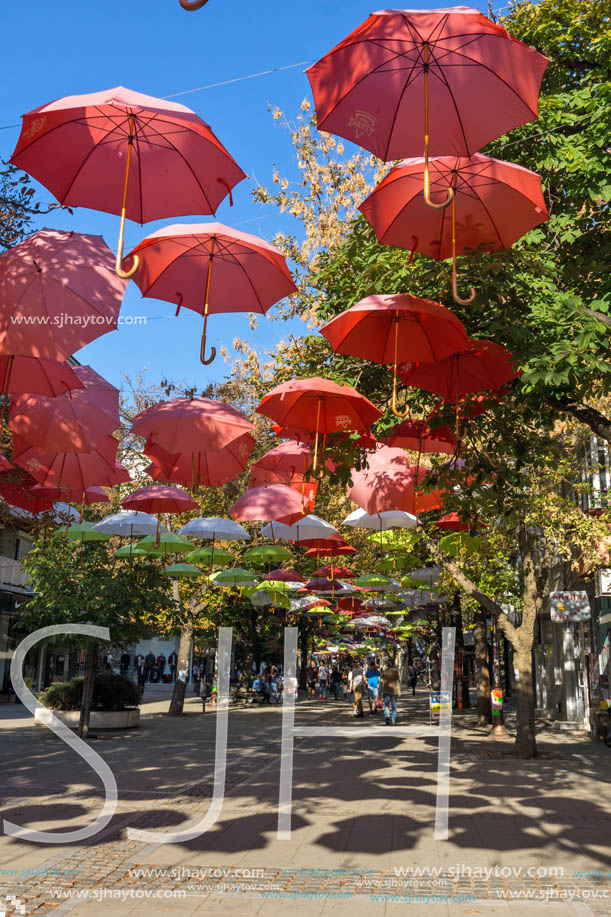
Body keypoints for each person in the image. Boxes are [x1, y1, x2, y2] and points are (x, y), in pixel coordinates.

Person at [380, 657, 401, 725]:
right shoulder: (395, 673)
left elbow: (381, 682)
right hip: (394, 691)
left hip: (386, 691)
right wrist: (399, 691)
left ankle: (387, 718)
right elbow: (398, 682)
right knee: (394, 706)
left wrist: (379, 691)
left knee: (386, 706)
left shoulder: (384, 672)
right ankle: (393, 719)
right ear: (393, 665)